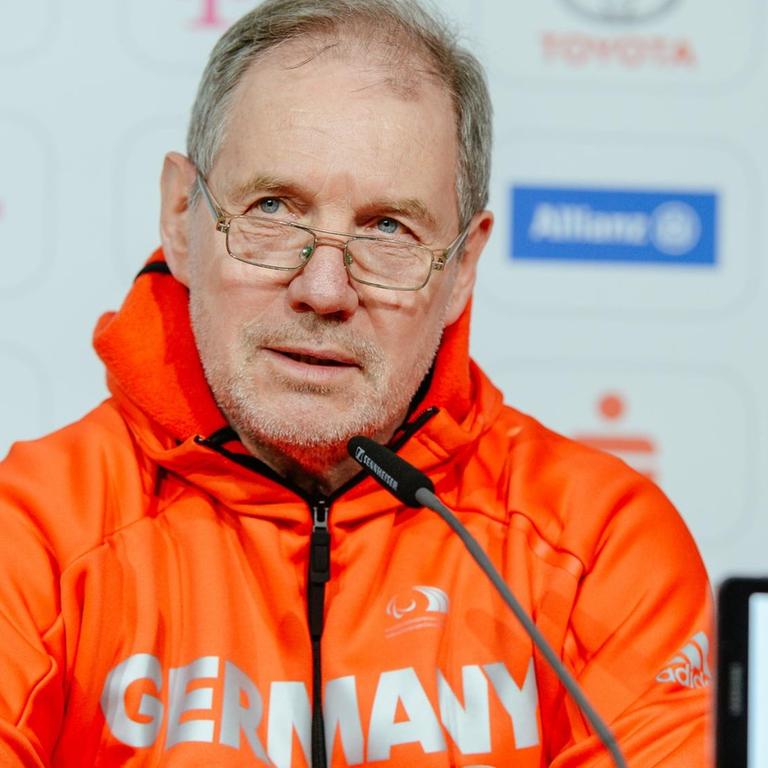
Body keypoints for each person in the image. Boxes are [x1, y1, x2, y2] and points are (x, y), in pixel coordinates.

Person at [0, 0, 712, 765]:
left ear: (464, 265)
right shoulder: (36, 534)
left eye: (388, 230)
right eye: (272, 209)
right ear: (181, 216)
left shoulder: (596, 546)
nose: (325, 290)